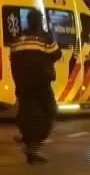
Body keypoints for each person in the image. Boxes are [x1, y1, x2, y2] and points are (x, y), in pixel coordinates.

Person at [8, 9, 61, 163]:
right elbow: (57, 54)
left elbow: (13, 58)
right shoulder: (44, 38)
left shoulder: (18, 39)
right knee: (50, 111)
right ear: (40, 20)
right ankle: (34, 145)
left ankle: (28, 143)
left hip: (23, 83)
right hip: (41, 82)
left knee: (27, 113)